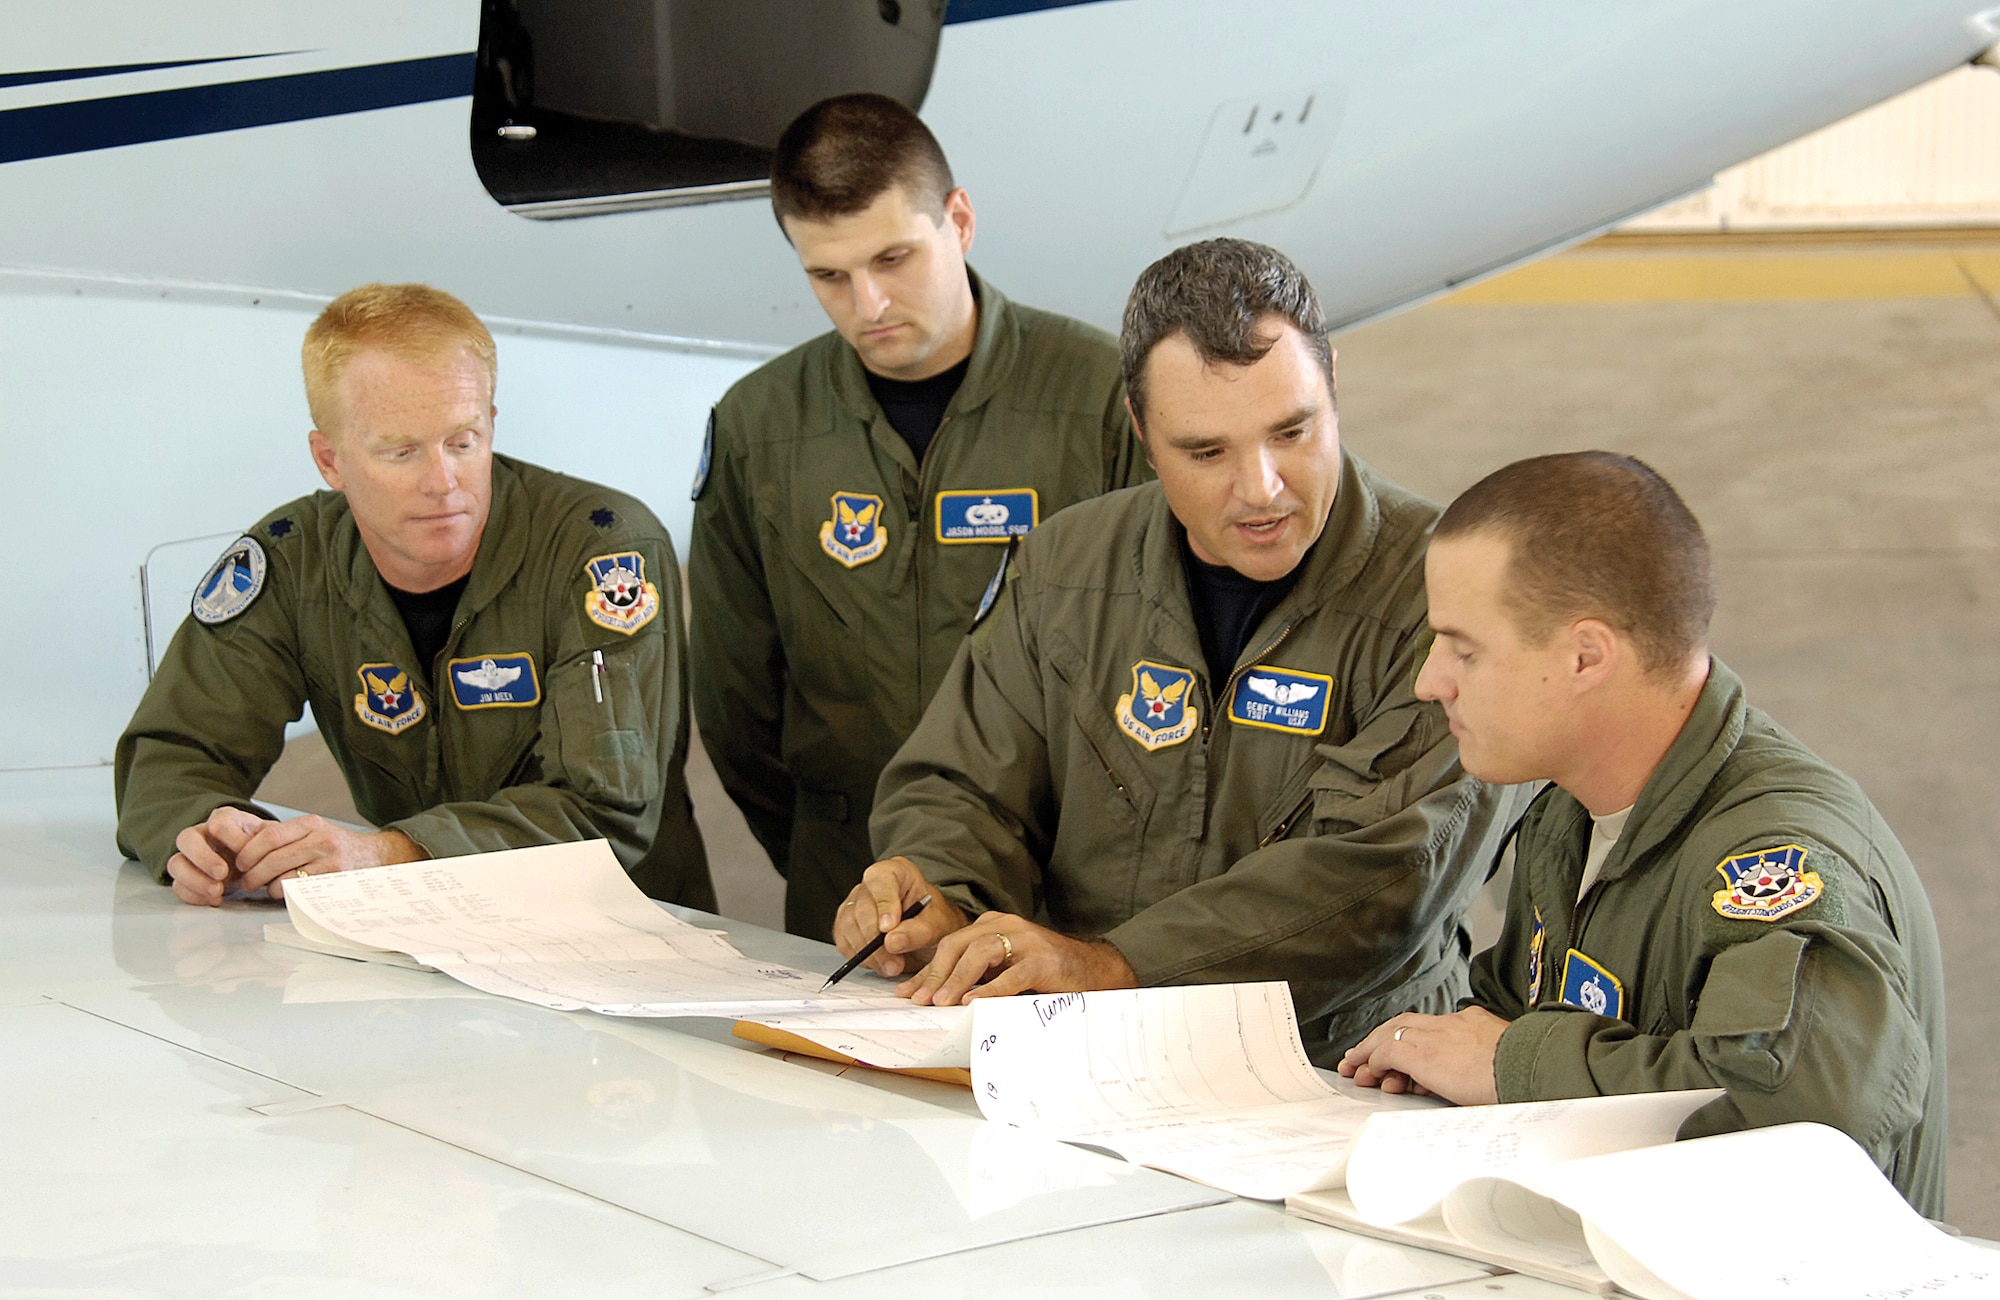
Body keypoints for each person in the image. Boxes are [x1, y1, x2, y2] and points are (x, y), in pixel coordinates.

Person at [831, 239, 1521, 1065]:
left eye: (1292, 431)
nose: (1262, 486)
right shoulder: (1066, 566)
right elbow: (965, 781)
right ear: (1141, 430)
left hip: (1346, 1073)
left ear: (1333, 383)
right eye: (1207, 452)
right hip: (1080, 1055)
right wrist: (937, 892)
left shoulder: (1447, 594)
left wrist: (1120, 968)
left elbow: (1386, 877)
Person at [1336, 452, 1947, 1216]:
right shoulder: (1569, 807)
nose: (1432, 681)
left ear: (1586, 656)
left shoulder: (1774, 858)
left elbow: (1816, 1113)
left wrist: (1508, 1066)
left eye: (1465, 649)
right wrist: (1444, 1059)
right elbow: (1515, 1012)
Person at [688, 93, 1149, 939]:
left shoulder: (1097, 398)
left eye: (894, 258)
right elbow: (735, 702)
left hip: (1060, 908)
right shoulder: (759, 427)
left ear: (960, 220)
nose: (868, 305)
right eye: (828, 276)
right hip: (853, 902)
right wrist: (828, 850)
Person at [115, 283, 714, 910]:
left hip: (622, 940)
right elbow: (171, 756)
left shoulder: (601, 550)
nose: (443, 483)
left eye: (463, 441)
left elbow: (605, 816)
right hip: (425, 941)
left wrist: (386, 855)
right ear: (330, 460)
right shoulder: (294, 561)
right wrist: (212, 835)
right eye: (400, 452)